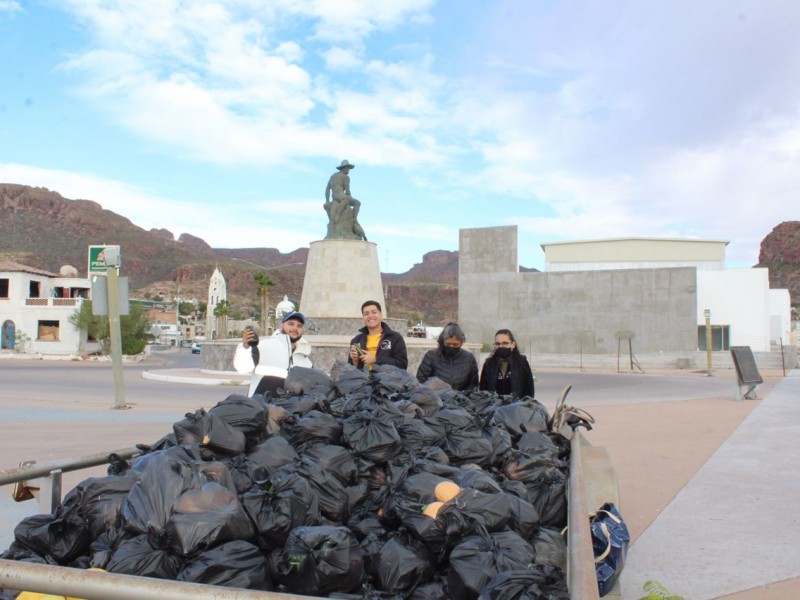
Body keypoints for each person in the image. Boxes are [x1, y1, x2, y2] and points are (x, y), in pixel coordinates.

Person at [233, 310, 312, 396]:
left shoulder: (306, 361)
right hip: (260, 407)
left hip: (289, 408)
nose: (295, 328)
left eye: (299, 326)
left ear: (302, 330)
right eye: (291, 324)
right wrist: (245, 348)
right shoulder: (263, 346)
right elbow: (243, 368)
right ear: (281, 326)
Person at [416, 322, 479, 391]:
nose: (451, 347)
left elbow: (473, 385)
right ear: (442, 341)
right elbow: (420, 381)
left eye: (455, 344)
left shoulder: (469, 358)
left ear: (461, 343)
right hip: (436, 399)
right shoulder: (431, 356)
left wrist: (462, 397)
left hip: (462, 399)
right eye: (448, 344)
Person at [348, 300, 408, 370]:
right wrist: (354, 361)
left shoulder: (395, 338)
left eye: (374, 312)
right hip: (363, 379)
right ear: (363, 319)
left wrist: (376, 359)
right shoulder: (356, 341)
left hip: (387, 380)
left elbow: (402, 365)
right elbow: (351, 371)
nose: (370, 316)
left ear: (381, 315)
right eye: (366, 314)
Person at [479, 328, 535, 398]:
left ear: (513, 344)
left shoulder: (522, 363)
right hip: (494, 407)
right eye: (498, 344)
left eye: (505, 343)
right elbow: (483, 391)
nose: (501, 346)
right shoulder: (489, 364)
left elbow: (529, 391)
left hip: (516, 407)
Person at [324, 159, 367, 240]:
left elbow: (327, 189)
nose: (348, 171)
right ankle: (354, 220)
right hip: (341, 195)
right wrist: (350, 197)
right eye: (347, 169)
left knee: (347, 200)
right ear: (343, 168)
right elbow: (347, 191)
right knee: (357, 203)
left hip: (334, 196)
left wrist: (327, 201)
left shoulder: (333, 176)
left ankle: (338, 216)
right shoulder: (345, 177)